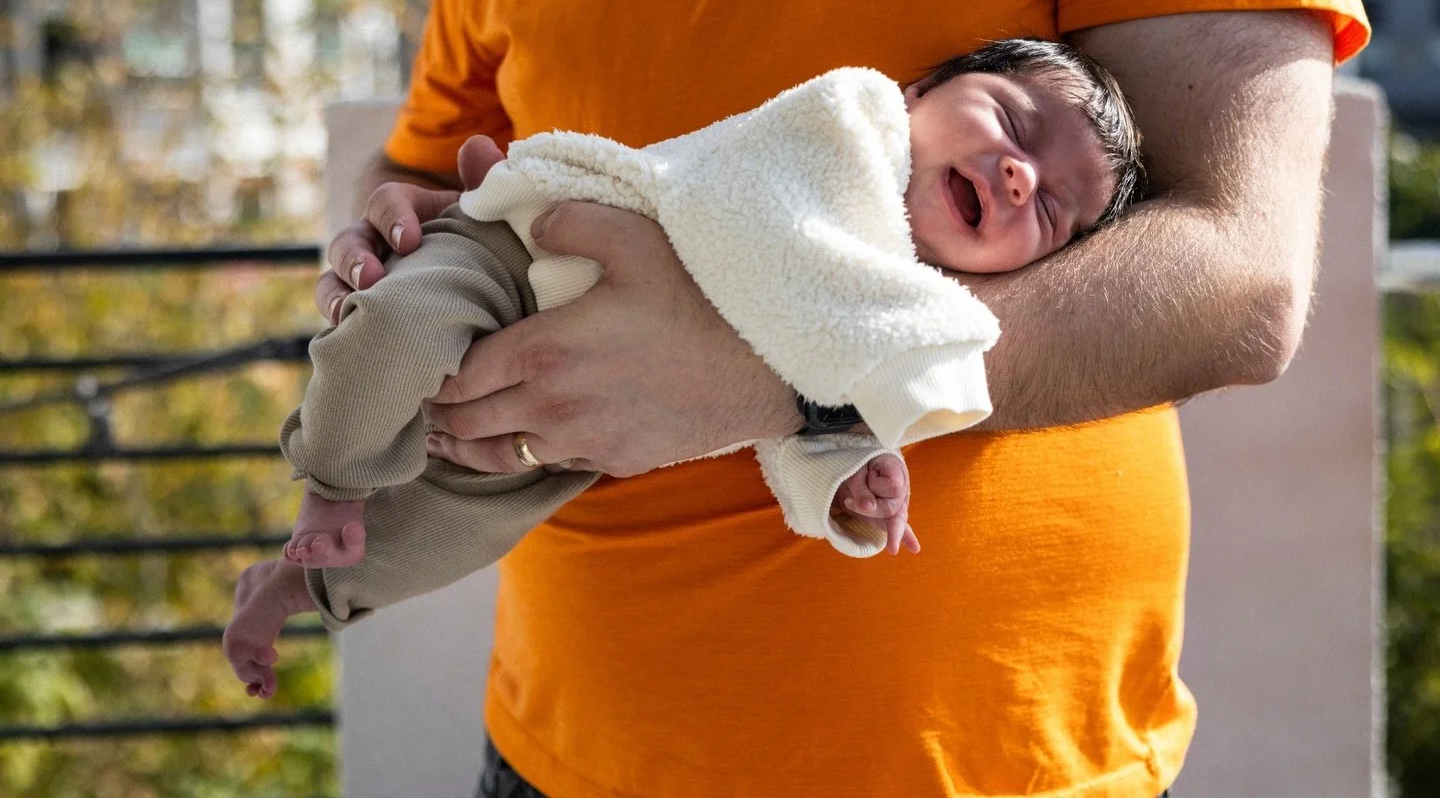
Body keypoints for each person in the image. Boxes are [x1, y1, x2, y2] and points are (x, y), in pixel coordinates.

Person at [305, 0, 1368, 796]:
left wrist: (779, 373)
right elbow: (426, 153)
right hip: (565, 752)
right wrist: (386, 228)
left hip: (998, 767)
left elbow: (1240, 272)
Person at [223, 40, 1145, 695]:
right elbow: (780, 277)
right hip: (516, 253)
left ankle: (294, 587)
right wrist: (381, 227)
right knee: (397, 329)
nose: (1022, 176)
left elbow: (798, 388)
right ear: (918, 92)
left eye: (1055, 212)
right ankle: (331, 482)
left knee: (441, 538)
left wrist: (848, 470)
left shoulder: (904, 300)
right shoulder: (853, 119)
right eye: (1012, 120)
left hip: (566, 439)